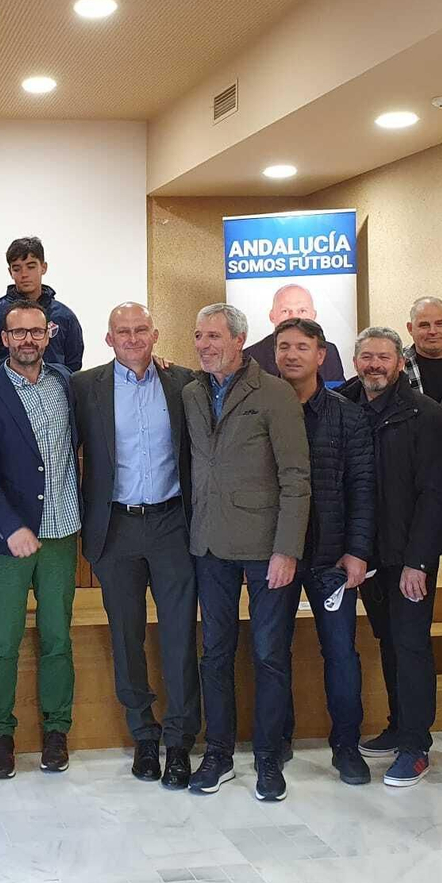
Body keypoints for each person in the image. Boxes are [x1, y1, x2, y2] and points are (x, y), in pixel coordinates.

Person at [183, 303, 310, 802]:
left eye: (215, 336)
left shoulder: (275, 393)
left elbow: (297, 478)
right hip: (209, 543)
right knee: (214, 653)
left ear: (240, 340)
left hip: (266, 548)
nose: (205, 344)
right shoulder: (192, 393)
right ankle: (217, 753)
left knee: (269, 655)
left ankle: (268, 757)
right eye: (199, 335)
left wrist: (287, 549)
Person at [71, 303, 200, 789]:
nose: (132, 338)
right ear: (108, 339)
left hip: (172, 525)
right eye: (122, 332)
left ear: (156, 333)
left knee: (179, 635)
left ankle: (180, 740)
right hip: (116, 528)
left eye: (140, 330)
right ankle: (143, 736)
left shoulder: (184, 382)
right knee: (126, 636)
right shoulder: (84, 387)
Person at [0, 300, 82, 778]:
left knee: (57, 639)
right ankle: (1, 734)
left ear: (49, 333)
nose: (28, 340)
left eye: (36, 332)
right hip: (9, 540)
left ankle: (57, 731)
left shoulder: (69, 386)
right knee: (4, 642)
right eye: (19, 334)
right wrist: (10, 527)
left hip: (63, 532)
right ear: (5, 339)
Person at [338, 327, 442, 788]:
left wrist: (420, 561)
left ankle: (416, 745)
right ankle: (398, 724)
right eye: (366, 357)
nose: (374, 365)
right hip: (366, 558)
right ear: (354, 360)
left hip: (409, 560)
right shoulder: (345, 406)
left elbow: (437, 495)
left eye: (383, 358)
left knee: (410, 645)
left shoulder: (428, 417)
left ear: (399, 362)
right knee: (387, 641)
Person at [272, 317, 374, 785]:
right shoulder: (263, 408)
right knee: (272, 650)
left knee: (341, 652)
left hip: (333, 556)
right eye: (283, 346)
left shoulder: (348, 415)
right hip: (276, 553)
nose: (291, 355)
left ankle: (346, 746)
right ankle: (278, 738)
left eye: (301, 347)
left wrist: (357, 550)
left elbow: (363, 488)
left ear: (320, 354)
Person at [0, 236, 84, 371]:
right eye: (17, 269)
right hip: (7, 390)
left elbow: (73, 365)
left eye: (31, 267)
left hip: (55, 390)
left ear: (43, 267)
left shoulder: (64, 316)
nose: (24, 274)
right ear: (10, 272)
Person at [243, 284, 345, 383]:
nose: (294, 317)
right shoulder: (250, 357)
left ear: (313, 315)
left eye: (302, 311)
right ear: (272, 316)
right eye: (285, 311)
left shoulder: (329, 352)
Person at [403, 296, 442, 403]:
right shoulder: (396, 366)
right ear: (410, 328)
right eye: (424, 325)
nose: (433, 331)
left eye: (440, 324)